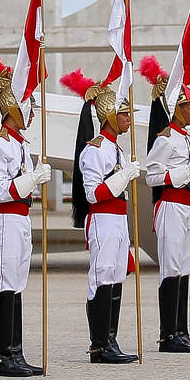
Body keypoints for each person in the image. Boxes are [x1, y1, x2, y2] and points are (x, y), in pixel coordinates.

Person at [0, 54, 50, 377]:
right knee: (3, 282)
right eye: (28, 104)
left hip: (21, 217)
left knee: (17, 283)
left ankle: (15, 351)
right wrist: (32, 179)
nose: (32, 110)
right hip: (4, 216)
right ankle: (1, 355)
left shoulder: (20, 144)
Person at [63, 67, 140, 364]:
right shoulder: (94, 151)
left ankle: (111, 339)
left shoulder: (116, 149)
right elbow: (94, 193)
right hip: (103, 218)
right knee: (102, 277)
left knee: (116, 276)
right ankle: (99, 345)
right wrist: (124, 177)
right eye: (124, 113)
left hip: (118, 219)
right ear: (109, 115)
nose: (128, 119)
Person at [138, 56, 190, 354]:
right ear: (177, 110)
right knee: (171, 267)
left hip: (187, 206)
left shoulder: (185, 138)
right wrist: (183, 173)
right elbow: (151, 175)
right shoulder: (166, 139)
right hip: (171, 206)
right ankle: (168, 335)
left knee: (184, 266)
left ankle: (182, 330)